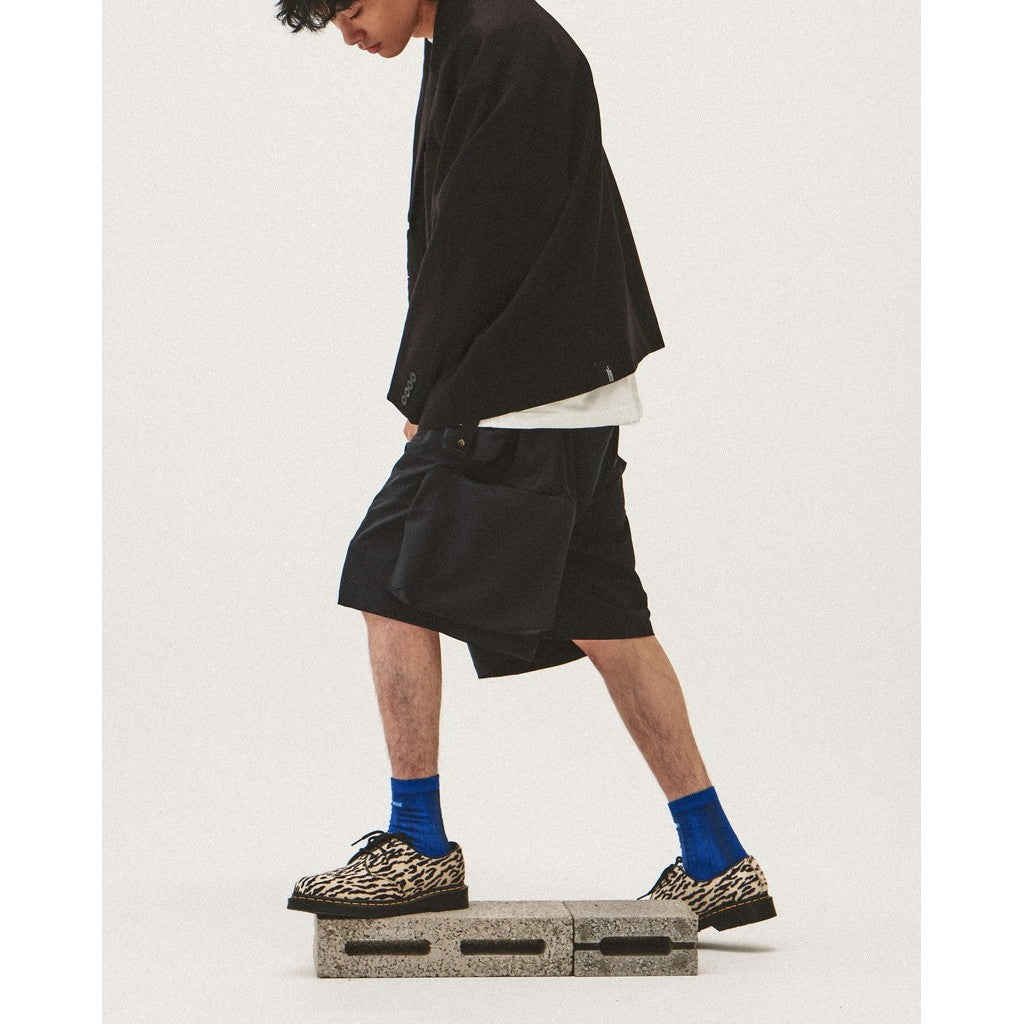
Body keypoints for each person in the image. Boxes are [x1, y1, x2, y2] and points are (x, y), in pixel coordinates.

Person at [276, 0, 776, 933]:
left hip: (518, 388)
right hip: (561, 389)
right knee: (607, 617)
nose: (347, 33)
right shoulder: (482, 37)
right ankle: (715, 858)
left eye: (350, 8)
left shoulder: (504, 44)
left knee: (385, 573)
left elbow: (479, 242)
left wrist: (430, 391)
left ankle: (418, 845)